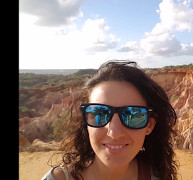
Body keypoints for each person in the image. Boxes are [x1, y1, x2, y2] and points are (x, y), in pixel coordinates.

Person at [41, 60, 178, 180]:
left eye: (132, 115)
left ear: (149, 125)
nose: (114, 133)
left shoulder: (157, 175)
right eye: (99, 114)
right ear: (86, 121)